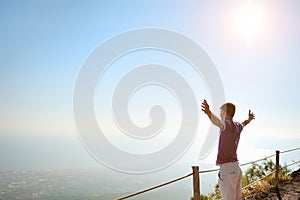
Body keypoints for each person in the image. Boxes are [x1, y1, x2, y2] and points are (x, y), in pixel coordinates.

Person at [201, 99, 255, 200]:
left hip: (227, 169)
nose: (220, 114)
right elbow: (244, 123)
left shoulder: (226, 125)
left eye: (221, 112)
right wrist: (250, 119)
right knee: (237, 198)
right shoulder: (238, 126)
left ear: (224, 112)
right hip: (236, 168)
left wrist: (208, 112)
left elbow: (217, 122)